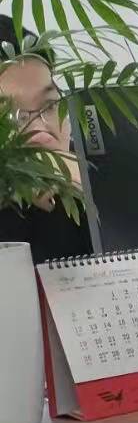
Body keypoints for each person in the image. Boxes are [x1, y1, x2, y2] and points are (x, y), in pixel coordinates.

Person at [0, 14, 91, 263]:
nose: (39, 130)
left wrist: (98, 193)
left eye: (49, 106)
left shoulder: (91, 177)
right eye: (7, 115)